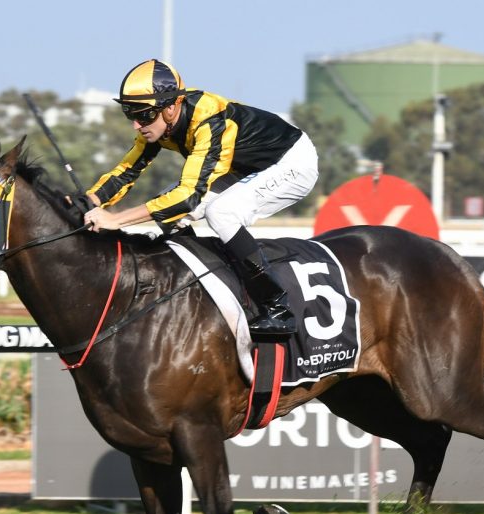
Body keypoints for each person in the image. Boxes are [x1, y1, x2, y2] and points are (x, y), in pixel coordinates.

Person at [81, 58, 319, 339]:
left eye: (142, 114)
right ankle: (198, 284)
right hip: (241, 167)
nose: (136, 124)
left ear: (171, 107)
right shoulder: (158, 122)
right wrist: (89, 201)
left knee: (221, 213)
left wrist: (117, 220)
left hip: (291, 162)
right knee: (167, 207)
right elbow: (126, 171)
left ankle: (278, 307)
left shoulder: (209, 120)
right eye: (128, 113)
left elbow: (188, 197)